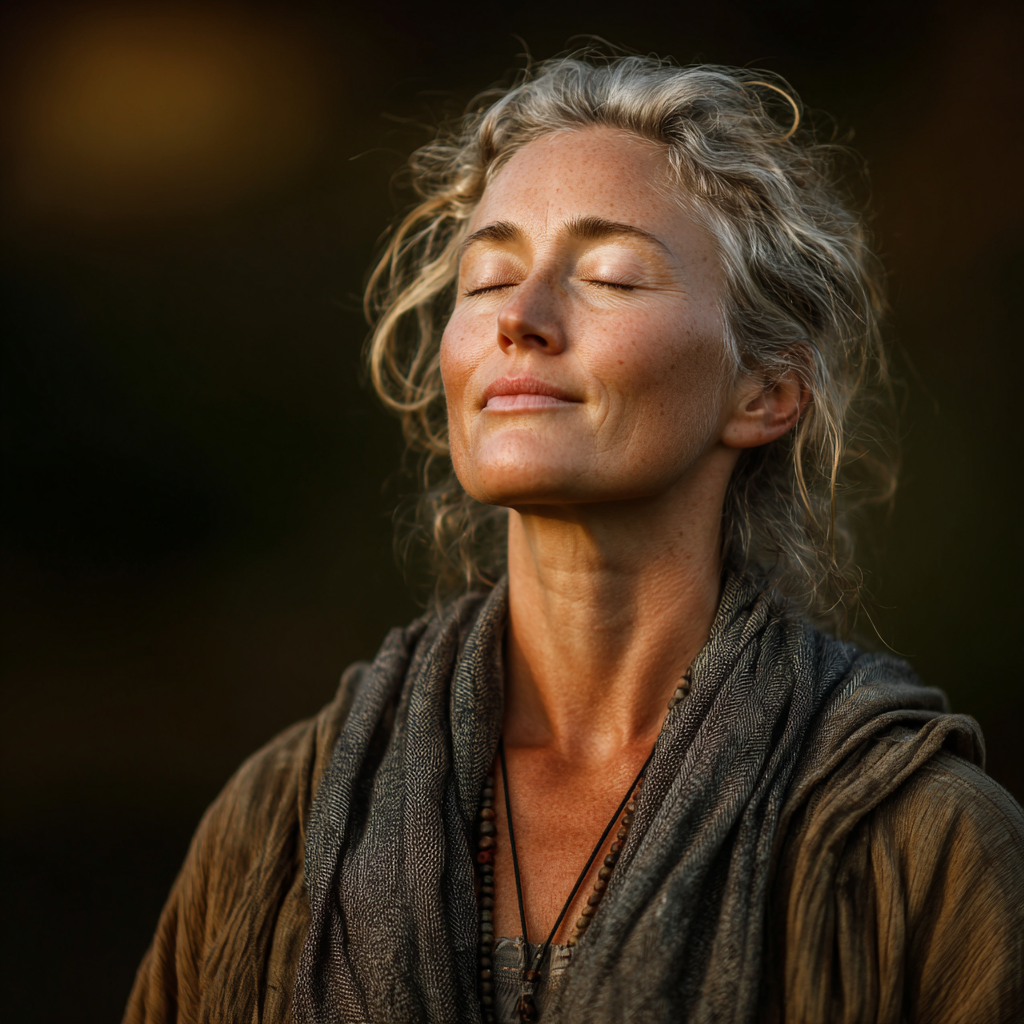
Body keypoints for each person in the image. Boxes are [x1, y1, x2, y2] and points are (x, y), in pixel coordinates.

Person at [123, 54, 1024, 1024]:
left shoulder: (921, 846)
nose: (521, 317)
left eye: (610, 275)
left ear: (767, 391)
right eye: (488, 276)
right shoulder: (279, 826)